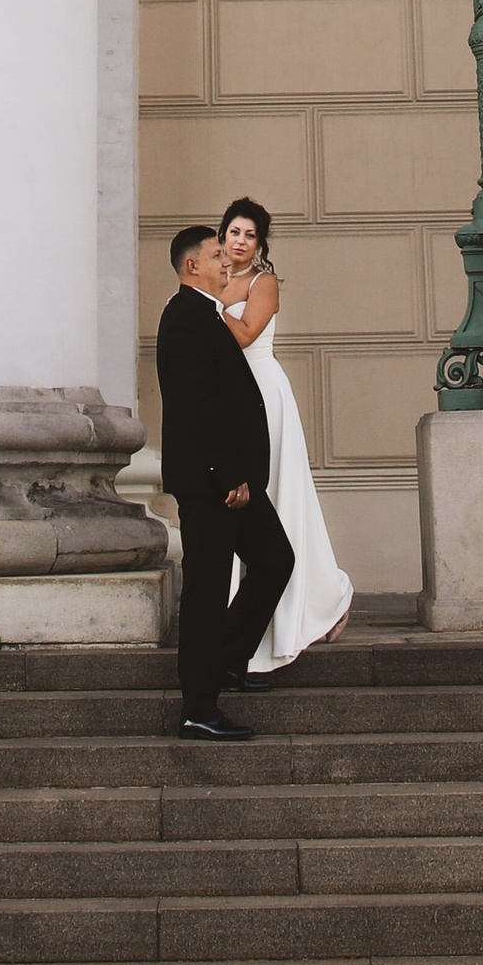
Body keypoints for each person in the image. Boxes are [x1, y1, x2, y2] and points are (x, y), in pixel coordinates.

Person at [155, 221, 293, 739]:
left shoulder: (206, 314)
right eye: (217, 256)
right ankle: (198, 708)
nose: (225, 263)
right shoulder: (185, 316)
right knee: (207, 592)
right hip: (214, 483)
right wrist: (228, 473)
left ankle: (228, 662)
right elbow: (196, 405)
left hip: (231, 482)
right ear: (193, 265)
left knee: (275, 560)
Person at [211, 193, 352, 669]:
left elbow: (247, 333)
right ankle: (237, 620)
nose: (241, 241)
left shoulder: (263, 281)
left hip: (265, 395)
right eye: (235, 232)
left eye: (250, 235)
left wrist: (202, 313)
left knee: (278, 497)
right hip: (228, 399)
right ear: (222, 234)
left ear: (259, 243)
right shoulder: (214, 281)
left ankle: (324, 596)